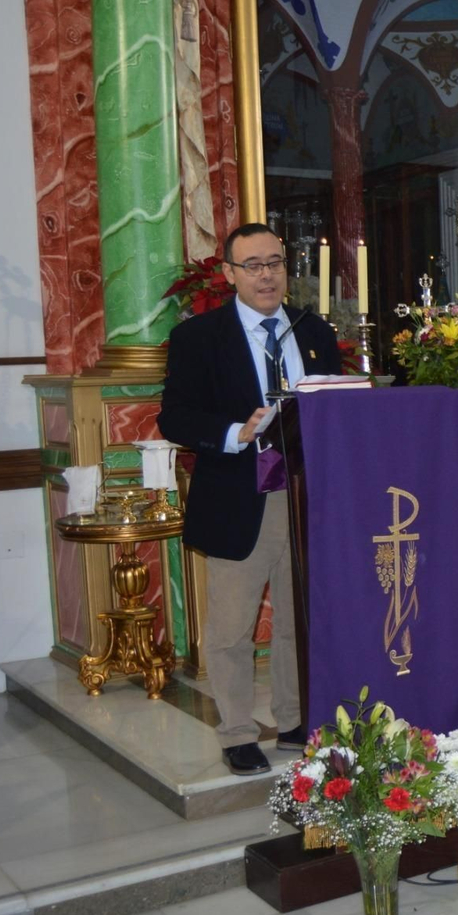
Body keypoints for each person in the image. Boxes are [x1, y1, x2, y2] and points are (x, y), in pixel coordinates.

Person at [156, 223, 342, 776]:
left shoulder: (315, 331)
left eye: (276, 263)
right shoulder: (199, 338)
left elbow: (333, 405)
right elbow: (175, 416)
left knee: (297, 619)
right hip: (240, 495)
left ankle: (293, 719)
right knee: (232, 628)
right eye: (254, 265)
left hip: (307, 496)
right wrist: (239, 430)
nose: (267, 275)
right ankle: (237, 731)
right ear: (230, 274)